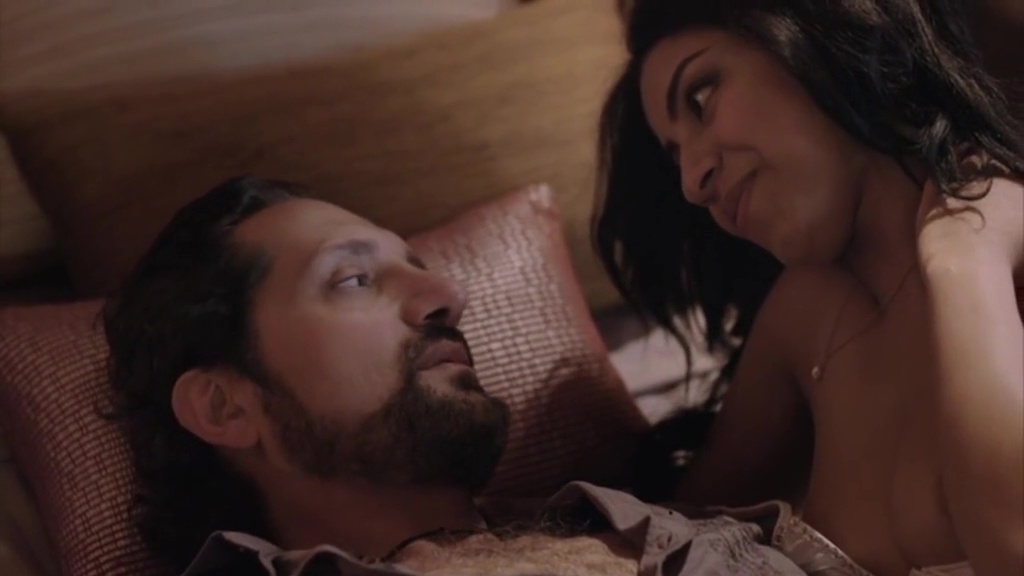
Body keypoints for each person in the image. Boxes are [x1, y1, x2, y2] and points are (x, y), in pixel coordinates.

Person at [103, 176, 814, 576]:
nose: (448, 294)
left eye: (417, 266)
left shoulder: (622, 517)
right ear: (224, 406)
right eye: (352, 279)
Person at [593, 1, 1024, 576]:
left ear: (816, 33)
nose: (693, 182)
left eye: (701, 98)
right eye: (675, 157)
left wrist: (967, 265)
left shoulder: (1006, 247)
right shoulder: (807, 317)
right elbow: (668, 530)